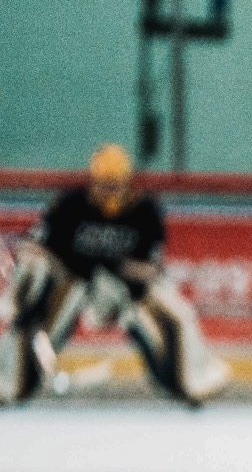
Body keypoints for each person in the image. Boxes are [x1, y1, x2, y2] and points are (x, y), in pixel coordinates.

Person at [2, 143, 229, 406]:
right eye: (104, 184)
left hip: (125, 290)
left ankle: (188, 382)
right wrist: (45, 276)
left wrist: (113, 267)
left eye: (115, 185)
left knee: (178, 315)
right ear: (93, 181)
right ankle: (10, 383)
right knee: (35, 319)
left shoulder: (144, 210)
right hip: (74, 283)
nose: (109, 192)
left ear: (126, 182)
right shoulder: (71, 204)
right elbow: (36, 248)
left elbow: (150, 270)